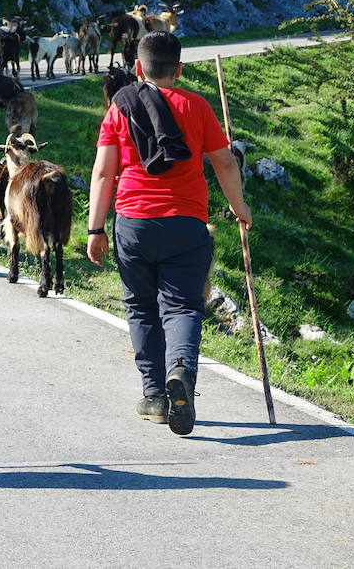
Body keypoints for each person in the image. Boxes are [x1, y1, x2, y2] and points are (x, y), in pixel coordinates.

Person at [86, 31, 251, 435]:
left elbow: (105, 171)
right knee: (182, 307)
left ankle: (155, 396)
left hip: (134, 223)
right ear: (178, 68)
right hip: (186, 224)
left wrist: (95, 227)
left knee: (141, 307)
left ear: (138, 68)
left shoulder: (118, 109)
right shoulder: (196, 106)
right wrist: (238, 206)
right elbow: (225, 164)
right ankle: (182, 370)